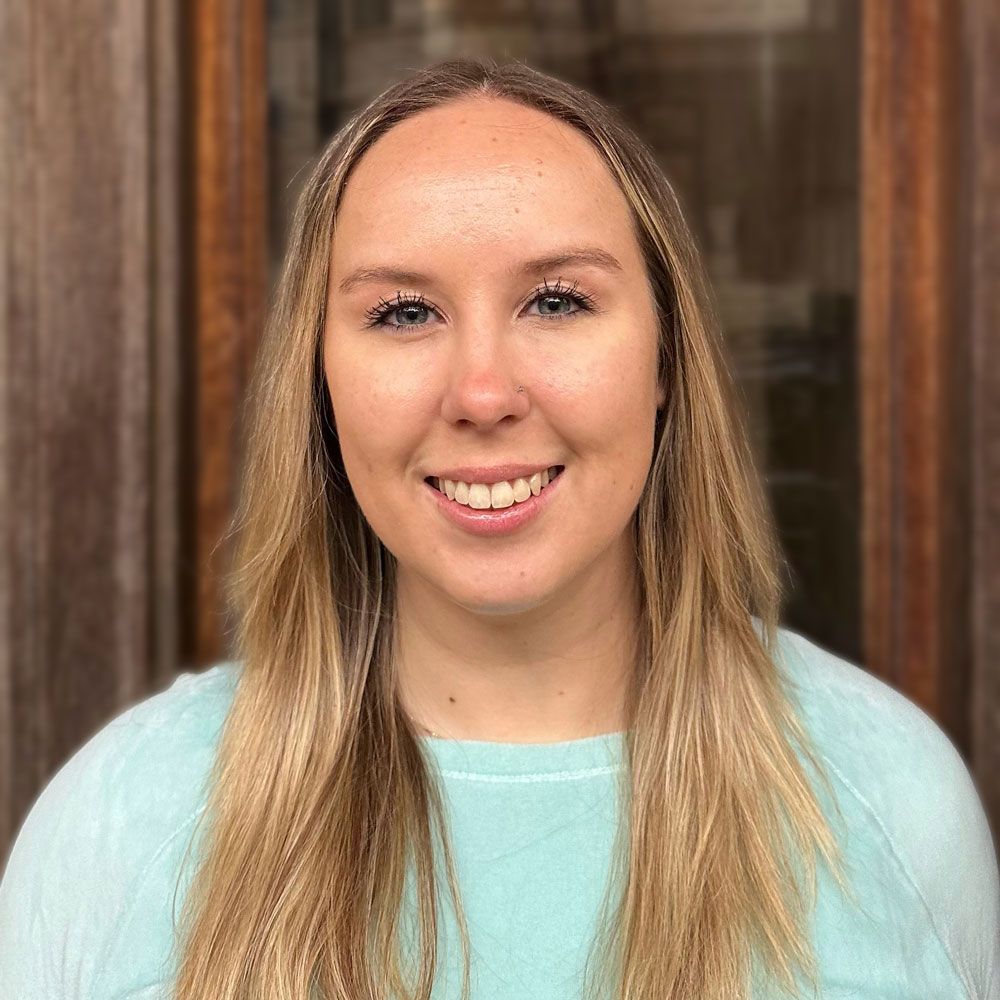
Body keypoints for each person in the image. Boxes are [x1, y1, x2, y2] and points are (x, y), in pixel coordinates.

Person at [1, 56, 997, 1000]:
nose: (482, 391)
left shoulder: (888, 802)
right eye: (402, 313)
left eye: (556, 300)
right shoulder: (120, 827)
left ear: (664, 364)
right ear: (321, 383)